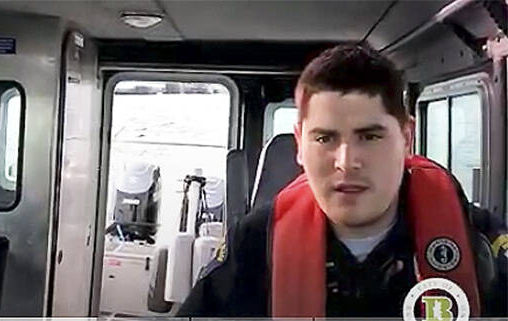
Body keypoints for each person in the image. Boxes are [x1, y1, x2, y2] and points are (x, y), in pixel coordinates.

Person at [178, 44, 507, 317]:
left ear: (407, 138)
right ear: (300, 144)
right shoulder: (252, 244)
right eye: (325, 139)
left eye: (370, 137)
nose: (347, 162)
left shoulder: (476, 238)